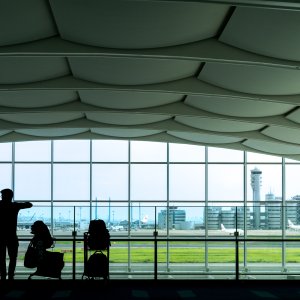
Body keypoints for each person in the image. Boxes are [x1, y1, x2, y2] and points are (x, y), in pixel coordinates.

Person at [0, 188, 33, 280]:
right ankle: (11, 275)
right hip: (11, 236)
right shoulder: (14, 206)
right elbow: (29, 205)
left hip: (1, 236)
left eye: (2, 195)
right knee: (13, 258)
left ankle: (3, 276)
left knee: (1, 259)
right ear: (11, 196)